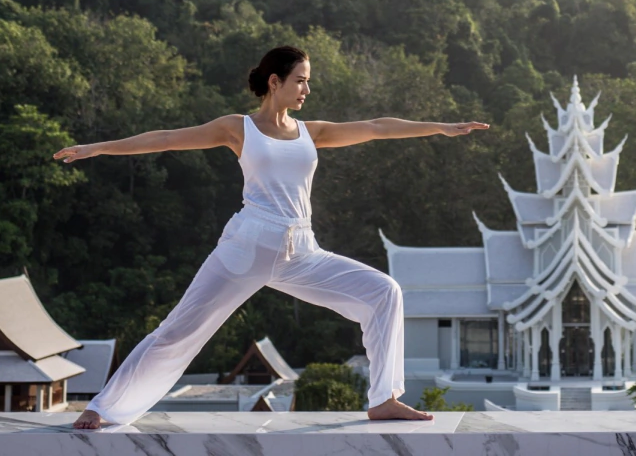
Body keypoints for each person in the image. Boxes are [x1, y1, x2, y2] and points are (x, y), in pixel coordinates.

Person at [55, 46, 488, 428]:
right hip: (246, 247)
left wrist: (440, 126)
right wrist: (99, 147)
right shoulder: (237, 128)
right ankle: (104, 408)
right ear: (275, 81)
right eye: (300, 80)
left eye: (309, 82)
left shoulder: (310, 133)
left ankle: (384, 400)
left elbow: (376, 126)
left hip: (302, 251)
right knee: (177, 332)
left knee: (384, 292)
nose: (306, 89)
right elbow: (168, 138)